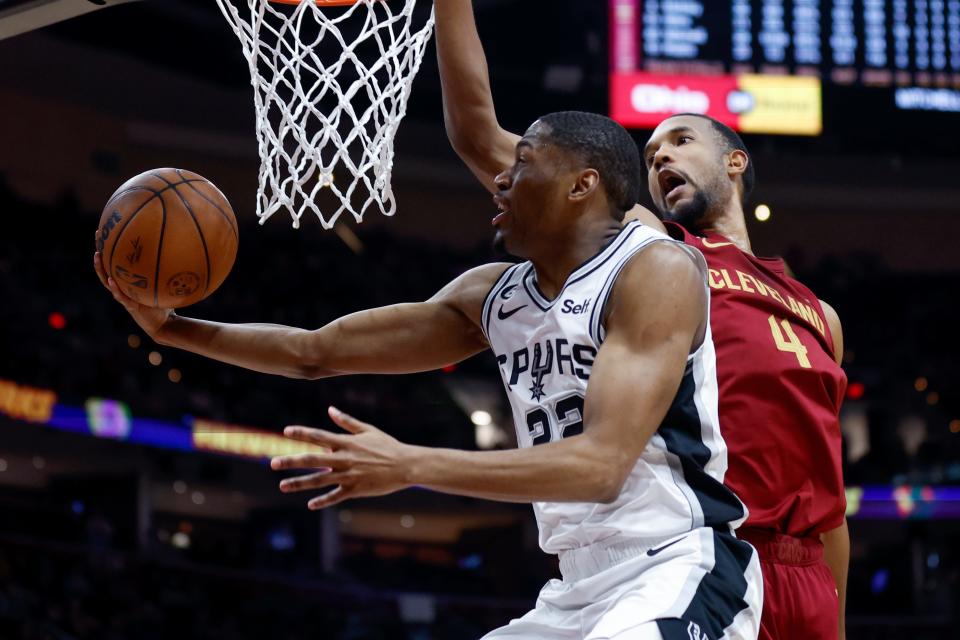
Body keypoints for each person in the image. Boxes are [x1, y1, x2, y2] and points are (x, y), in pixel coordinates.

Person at [95, 110, 761, 639]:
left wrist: (411, 463)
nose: (500, 179)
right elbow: (312, 352)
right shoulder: (493, 296)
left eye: (522, 165)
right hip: (572, 590)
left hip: (680, 565)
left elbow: (601, 465)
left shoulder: (656, 271)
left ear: (582, 185)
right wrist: (172, 330)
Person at [433, 2, 849, 639]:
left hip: (807, 577)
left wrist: (836, 616)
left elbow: (829, 498)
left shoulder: (820, 314)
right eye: (650, 155)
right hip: (714, 556)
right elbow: (479, 134)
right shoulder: (655, 251)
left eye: (679, 142)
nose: (658, 160)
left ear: (735, 161)